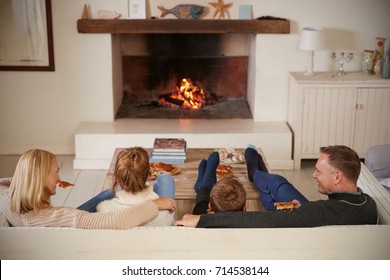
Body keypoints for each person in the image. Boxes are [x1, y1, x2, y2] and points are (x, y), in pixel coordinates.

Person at [175, 145, 378, 228]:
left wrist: (203, 221)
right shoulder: (368, 205)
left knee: (276, 183)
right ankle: (255, 172)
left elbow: (264, 219)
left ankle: (254, 172)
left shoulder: (322, 212)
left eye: (318, 171)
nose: (313, 175)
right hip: (309, 217)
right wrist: (302, 210)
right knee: (275, 186)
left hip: (305, 225)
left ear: (337, 177)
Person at [0, 149, 176, 229]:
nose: (59, 178)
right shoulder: (60, 216)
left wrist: (19, 179)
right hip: (65, 227)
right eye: (56, 172)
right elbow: (114, 221)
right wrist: (155, 204)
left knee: (108, 193)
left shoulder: (9, 198)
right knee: (166, 180)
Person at [96, 147, 176, 226]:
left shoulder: (104, 209)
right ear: (148, 175)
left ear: (118, 180)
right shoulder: (165, 212)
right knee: (165, 179)